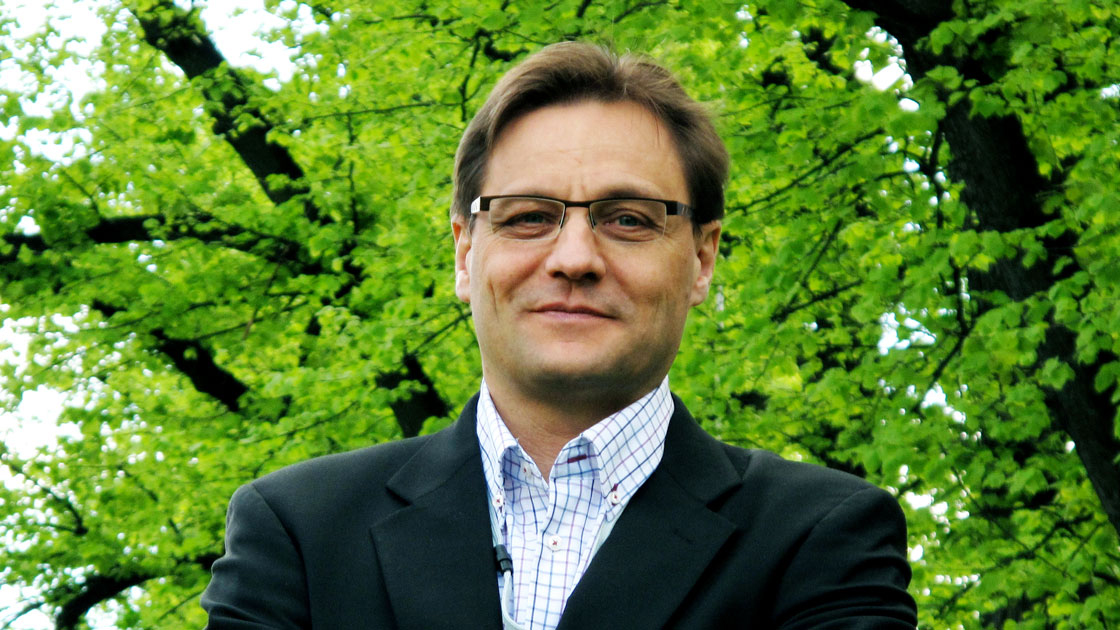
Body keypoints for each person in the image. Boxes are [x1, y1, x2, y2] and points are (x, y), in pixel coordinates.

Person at [201, 42, 917, 630]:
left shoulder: (822, 538)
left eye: (628, 219)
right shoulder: (298, 532)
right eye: (528, 217)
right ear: (464, 254)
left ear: (702, 259)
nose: (574, 258)